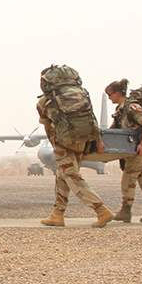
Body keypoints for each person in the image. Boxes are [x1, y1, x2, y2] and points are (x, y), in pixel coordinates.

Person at [36, 67, 114, 228]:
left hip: (63, 142)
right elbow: (92, 119)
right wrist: (98, 141)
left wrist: (55, 143)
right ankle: (57, 214)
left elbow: (48, 127)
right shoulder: (82, 95)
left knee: (71, 176)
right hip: (83, 140)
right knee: (62, 174)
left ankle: (101, 209)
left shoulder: (44, 101)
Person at [105, 79, 142, 223]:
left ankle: (126, 210)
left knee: (128, 178)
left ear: (118, 93)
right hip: (136, 147)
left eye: (110, 94)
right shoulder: (120, 110)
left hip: (140, 146)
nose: (109, 97)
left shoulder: (132, 107)